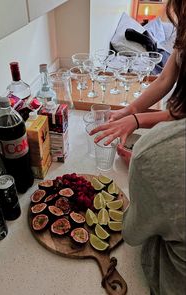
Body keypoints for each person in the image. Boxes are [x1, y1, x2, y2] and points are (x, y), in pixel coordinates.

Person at [91, 0, 186, 293]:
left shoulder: (160, 154)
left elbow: (132, 233)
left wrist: (136, 123)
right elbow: (166, 79)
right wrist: (130, 111)